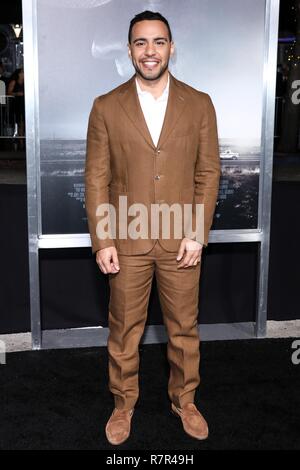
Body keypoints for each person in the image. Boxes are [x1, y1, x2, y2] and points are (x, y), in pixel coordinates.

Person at [85, 10, 220, 445]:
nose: (150, 51)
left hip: (182, 239)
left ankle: (186, 401)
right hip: (127, 240)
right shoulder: (105, 106)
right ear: (129, 50)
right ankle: (123, 405)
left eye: (158, 42)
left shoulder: (199, 103)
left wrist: (198, 233)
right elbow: (97, 178)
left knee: (184, 329)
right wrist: (103, 238)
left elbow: (209, 173)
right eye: (141, 43)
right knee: (124, 330)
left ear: (171, 47)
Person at [7, 68, 25, 138]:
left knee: (23, 122)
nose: (24, 74)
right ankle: (20, 141)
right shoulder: (14, 82)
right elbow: (8, 93)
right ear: (19, 74)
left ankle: (22, 141)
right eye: (22, 72)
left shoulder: (27, 82)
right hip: (16, 104)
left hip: (24, 104)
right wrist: (17, 94)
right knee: (19, 123)